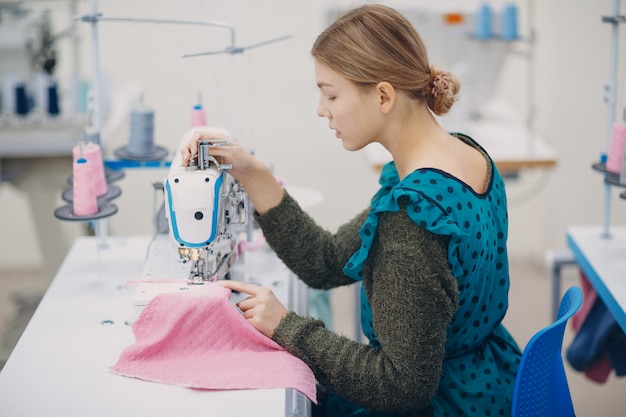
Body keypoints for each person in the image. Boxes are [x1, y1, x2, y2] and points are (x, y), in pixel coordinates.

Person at [181, 4, 521, 416]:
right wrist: (250, 170)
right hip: (492, 381)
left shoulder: (412, 218)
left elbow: (401, 387)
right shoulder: (465, 156)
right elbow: (324, 261)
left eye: (331, 94)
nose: (321, 110)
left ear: (382, 96)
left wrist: (287, 327)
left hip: (443, 404)